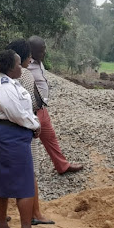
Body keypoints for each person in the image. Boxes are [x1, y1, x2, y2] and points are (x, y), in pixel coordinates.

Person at [0, 49, 46, 228]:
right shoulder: (4, 86)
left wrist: (32, 122)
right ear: (10, 67)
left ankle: (2, 224)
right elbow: (17, 113)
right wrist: (35, 125)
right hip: (9, 135)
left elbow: (22, 110)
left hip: (6, 134)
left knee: (2, 180)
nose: (22, 66)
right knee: (24, 183)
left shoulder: (10, 83)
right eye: (19, 64)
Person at [27, 36, 83, 174]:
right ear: (31, 51)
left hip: (42, 109)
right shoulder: (25, 66)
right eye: (40, 51)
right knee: (27, 144)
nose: (44, 53)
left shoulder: (39, 63)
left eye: (44, 50)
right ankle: (25, 175)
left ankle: (62, 166)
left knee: (50, 138)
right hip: (31, 112)